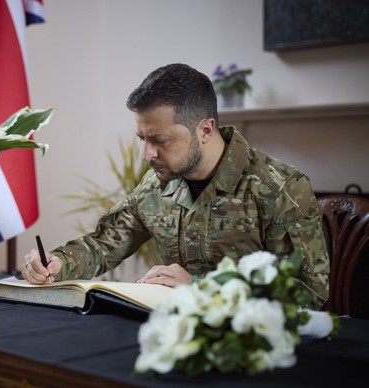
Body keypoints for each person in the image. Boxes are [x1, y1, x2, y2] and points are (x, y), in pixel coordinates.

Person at [22, 63, 329, 309]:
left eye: (160, 140)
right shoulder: (155, 186)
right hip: (173, 339)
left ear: (205, 130)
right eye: (142, 138)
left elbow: (309, 293)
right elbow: (103, 245)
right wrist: (58, 263)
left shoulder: (280, 188)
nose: (146, 155)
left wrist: (204, 289)